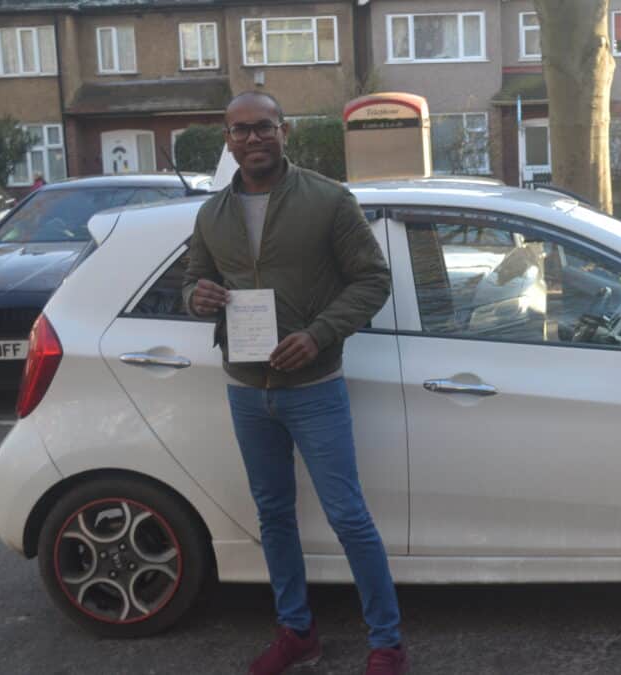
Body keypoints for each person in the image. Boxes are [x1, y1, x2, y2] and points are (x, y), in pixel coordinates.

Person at [183, 91, 408, 675]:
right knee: (274, 515)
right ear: (227, 139)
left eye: (263, 128)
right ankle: (296, 632)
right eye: (239, 131)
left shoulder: (328, 200)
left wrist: (319, 333)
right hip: (245, 389)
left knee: (347, 515)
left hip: (313, 385)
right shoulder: (211, 215)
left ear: (285, 132)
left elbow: (372, 280)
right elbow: (193, 281)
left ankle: (386, 642)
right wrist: (196, 296)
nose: (251, 140)